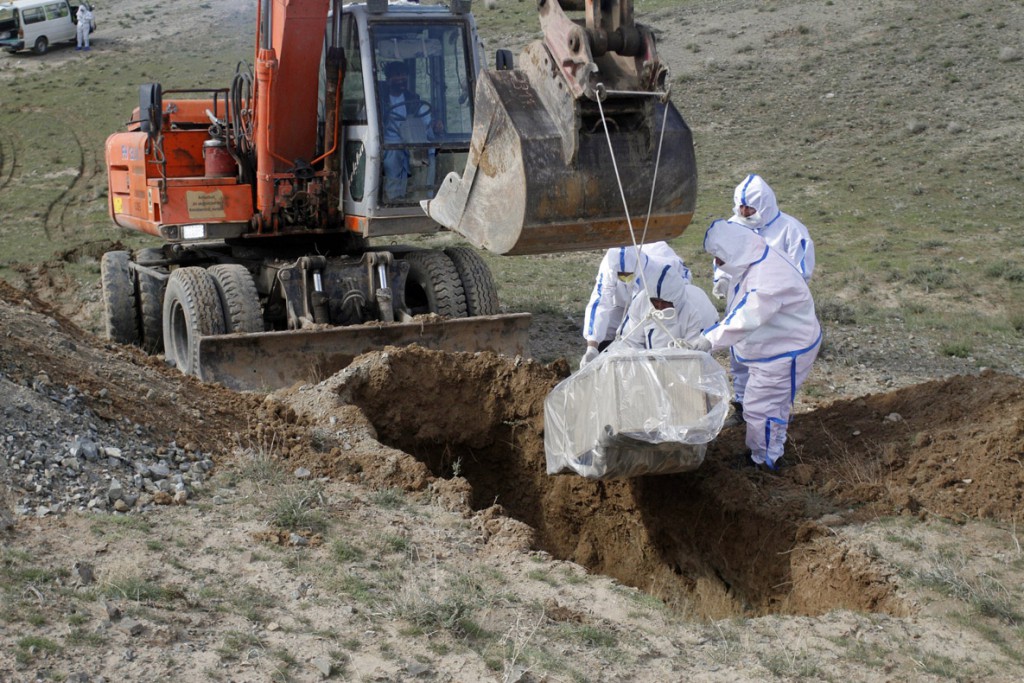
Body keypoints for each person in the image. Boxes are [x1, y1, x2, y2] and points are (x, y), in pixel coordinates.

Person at [690, 220, 821, 471]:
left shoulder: (767, 278)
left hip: (785, 351)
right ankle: (769, 448)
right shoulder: (753, 259)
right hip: (775, 344)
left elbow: (747, 317)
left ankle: (764, 461)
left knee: (761, 406)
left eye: (719, 258)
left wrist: (709, 339)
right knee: (772, 403)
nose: (717, 264)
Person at [711, 174, 815, 426]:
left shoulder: (791, 231)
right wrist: (721, 279)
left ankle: (773, 411)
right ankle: (743, 407)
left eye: (750, 207)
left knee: (771, 366)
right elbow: (721, 257)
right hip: (740, 305)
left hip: (777, 312)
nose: (745, 211)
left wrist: (773, 291)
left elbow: (800, 274)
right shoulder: (733, 227)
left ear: (765, 204)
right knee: (740, 356)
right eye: (741, 206)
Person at [580, 241, 691, 368]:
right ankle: (605, 364)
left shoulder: (658, 270)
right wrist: (592, 346)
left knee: (651, 336)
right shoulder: (609, 267)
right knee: (609, 330)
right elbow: (600, 301)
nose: (625, 279)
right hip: (620, 305)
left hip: (652, 308)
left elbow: (680, 292)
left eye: (628, 275)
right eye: (621, 276)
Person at [617, 258, 719, 351]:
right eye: (655, 302)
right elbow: (630, 340)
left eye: (665, 303)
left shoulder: (694, 309)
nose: (660, 308)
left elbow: (694, 354)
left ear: (677, 300)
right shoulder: (641, 302)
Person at [380, 61, 443, 201]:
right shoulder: (379, 100)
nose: (401, 79)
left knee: (430, 151)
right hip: (388, 140)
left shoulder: (413, 100)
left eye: (404, 75)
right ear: (388, 79)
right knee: (393, 154)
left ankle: (425, 195)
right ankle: (393, 196)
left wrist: (434, 125)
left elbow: (425, 122)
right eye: (397, 75)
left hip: (412, 139)